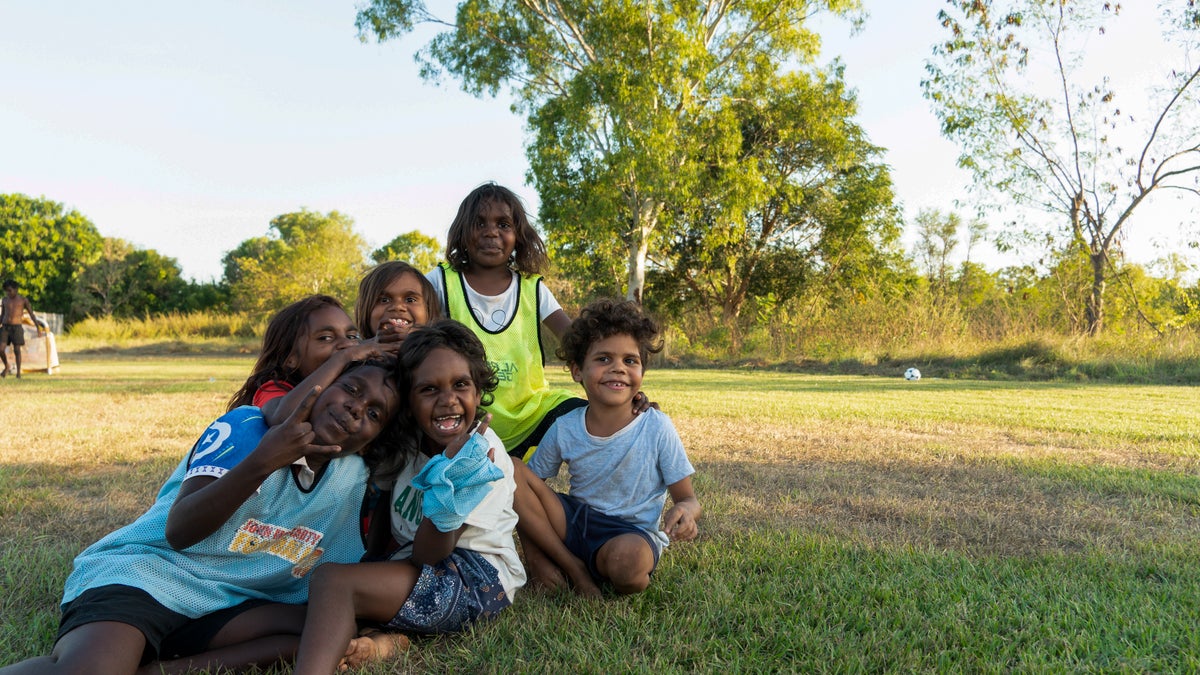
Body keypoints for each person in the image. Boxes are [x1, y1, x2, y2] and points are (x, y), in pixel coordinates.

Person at [0, 357, 404, 675]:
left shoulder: (354, 481)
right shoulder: (248, 426)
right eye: (350, 389)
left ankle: (164, 670)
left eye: (374, 414)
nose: (356, 410)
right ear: (317, 386)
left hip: (227, 603)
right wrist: (263, 461)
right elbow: (180, 531)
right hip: (151, 576)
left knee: (323, 634)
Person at [292, 320, 525, 674]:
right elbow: (384, 514)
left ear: (478, 393)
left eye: (461, 385)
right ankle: (388, 642)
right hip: (412, 561)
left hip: (477, 579)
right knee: (324, 597)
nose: (448, 400)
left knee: (332, 582)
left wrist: (450, 484)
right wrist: (368, 564)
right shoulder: (408, 444)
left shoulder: (480, 456)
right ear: (409, 402)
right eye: (429, 389)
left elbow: (430, 554)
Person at [518, 299, 701, 596]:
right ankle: (571, 567)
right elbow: (527, 492)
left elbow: (689, 499)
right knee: (512, 472)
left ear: (642, 371)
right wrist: (535, 555)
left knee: (627, 565)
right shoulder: (566, 426)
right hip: (575, 523)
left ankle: (594, 565)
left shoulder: (656, 426)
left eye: (630, 361)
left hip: (630, 535)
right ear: (577, 370)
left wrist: (685, 511)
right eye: (603, 359)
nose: (618, 368)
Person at [425, 182, 586, 460]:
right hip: (464, 416)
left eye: (503, 224)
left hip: (530, 415)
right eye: (479, 223)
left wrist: (620, 393)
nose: (491, 232)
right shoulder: (441, 281)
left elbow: (580, 344)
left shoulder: (532, 288)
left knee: (588, 413)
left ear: (518, 236)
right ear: (463, 233)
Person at [1, 279, 46, 379]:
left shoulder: (23, 300)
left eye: (9, 290)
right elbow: (2, 315)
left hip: (16, 327)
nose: (8, 293)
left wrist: (37, 327)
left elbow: (31, 314)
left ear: (16, 289)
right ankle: (7, 366)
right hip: (5, 327)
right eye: (6, 291)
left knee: (17, 349)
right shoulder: (5, 300)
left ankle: (18, 373)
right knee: (1, 349)